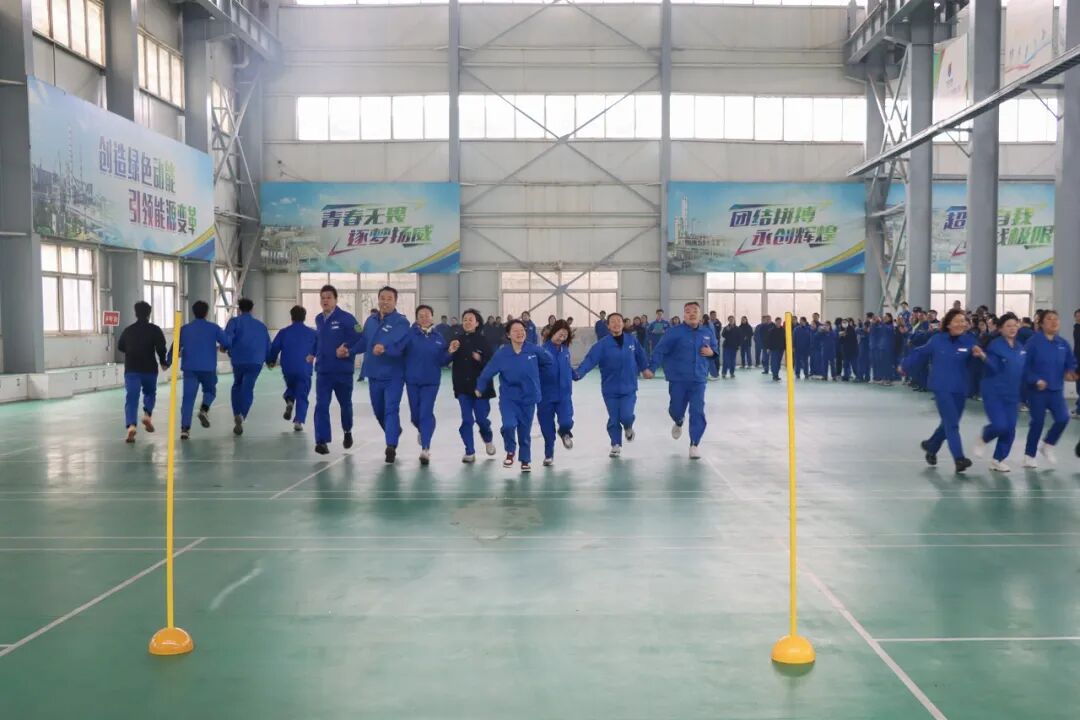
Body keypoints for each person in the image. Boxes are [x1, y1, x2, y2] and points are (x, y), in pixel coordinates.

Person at [900, 308, 979, 473]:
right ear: (948, 324)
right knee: (952, 424)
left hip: (961, 388)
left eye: (963, 321)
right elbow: (920, 353)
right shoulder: (937, 340)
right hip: (942, 387)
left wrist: (979, 356)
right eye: (957, 321)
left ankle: (932, 445)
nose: (961, 324)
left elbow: (975, 363)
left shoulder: (970, 341)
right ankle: (959, 458)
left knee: (949, 423)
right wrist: (905, 365)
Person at [476, 319, 552, 472]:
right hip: (509, 398)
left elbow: (548, 360)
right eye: (515, 331)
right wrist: (480, 387)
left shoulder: (533, 349)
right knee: (509, 425)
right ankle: (510, 451)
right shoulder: (502, 353)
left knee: (524, 431)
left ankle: (525, 460)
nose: (520, 333)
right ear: (508, 335)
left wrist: (542, 357)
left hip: (529, 397)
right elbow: (488, 371)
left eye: (522, 330)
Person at [648, 301, 717, 459]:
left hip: (698, 379)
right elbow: (660, 350)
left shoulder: (707, 332)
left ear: (700, 315)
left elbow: (714, 350)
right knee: (676, 409)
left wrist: (712, 353)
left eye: (695, 311)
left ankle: (694, 444)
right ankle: (678, 420)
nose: (692, 314)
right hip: (678, 379)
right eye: (688, 311)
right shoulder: (674, 332)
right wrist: (651, 368)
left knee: (697, 411)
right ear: (683, 315)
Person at [575, 312, 650, 457]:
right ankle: (615, 444)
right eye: (613, 322)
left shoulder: (631, 341)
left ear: (623, 323)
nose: (616, 324)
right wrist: (579, 373)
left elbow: (640, 356)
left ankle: (628, 426)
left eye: (619, 321)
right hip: (610, 389)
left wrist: (645, 369)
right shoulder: (602, 345)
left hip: (629, 387)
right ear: (608, 326)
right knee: (614, 418)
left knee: (626, 415)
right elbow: (590, 360)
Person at [360, 286, 412, 464]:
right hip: (374, 374)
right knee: (379, 411)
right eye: (382, 298)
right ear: (378, 299)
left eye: (389, 298)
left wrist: (385, 348)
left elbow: (397, 343)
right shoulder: (370, 320)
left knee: (391, 409)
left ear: (395, 301)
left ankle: (391, 446)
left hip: (393, 375)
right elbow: (363, 342)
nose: (385, 301)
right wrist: (348, 350)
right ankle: (394, 431)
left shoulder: (401, 322)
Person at [311, 285, 365, 455]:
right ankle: (321, 441)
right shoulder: (319, 319)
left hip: (343, 372)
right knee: (321, 405)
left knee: (345, 405)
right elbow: (319, 340)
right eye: (322, 297)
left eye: (329, 297)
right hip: (323, 372)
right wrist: (312, 354)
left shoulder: (347, 319)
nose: (325, 300)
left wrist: (348, 350)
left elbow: (362, 339)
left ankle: (347, 430)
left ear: (336, 299)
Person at [1021, 310, 1078, 468]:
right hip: (1036, 391)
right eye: (1049, 319)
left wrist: (1070, 373)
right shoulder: (1033, 342)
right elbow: (1023, 365)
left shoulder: (1063, 343)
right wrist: (1035, 380)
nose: (1054, 322)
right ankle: (1029, 455)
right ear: (1041, 323)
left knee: (1063, 418)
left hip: (1056, 390)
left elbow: (1070, 363)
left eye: (1056, 319)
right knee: (1037, 422)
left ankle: (1048, 445)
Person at [972, 313, 1024, 472]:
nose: (1012, 328)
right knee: (1000, 425)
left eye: (1015, 325)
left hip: (1012, 393)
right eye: (1008, 326)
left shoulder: (1020, 347)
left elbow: (1023, 369)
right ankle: (984, 437)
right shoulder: (995, 345)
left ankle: (997, 460)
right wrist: (983, 356)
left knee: (1010, 428)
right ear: (1001, 329)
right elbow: (993, 366)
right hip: (994, 391)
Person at [171, 300, 230, 440]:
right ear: (206, 313)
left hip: (190, 368)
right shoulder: (214, 328)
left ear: (193, 312)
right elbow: (227, 342)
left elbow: (174, 348)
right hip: (208, 367)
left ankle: (185, 429)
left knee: (188, 399)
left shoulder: (184, 329)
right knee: (210, 391)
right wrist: (224, 348)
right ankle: (204, 409)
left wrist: (167, 362)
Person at [403, 305, 452, 465]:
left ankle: (425, 448)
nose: (424, 318)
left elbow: (442, 360)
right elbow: (399, 351)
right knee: (415, 416)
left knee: (425, 413)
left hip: (431, 382)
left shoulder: (439, 337)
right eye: (421, 315)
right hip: (412, 381)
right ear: (417, 318)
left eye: (427, 315)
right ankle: (424, 430)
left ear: (432, 317)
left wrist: (450, 352)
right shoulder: (409, 334)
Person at [117, 301, 168, 443]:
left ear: (135, 313)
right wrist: (163, 362)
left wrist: (132, 350)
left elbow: (121, 346)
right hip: (149, 369)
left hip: (132, 369)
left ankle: (131, 426)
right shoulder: (155, 330)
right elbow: (161, 347)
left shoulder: (128, 330)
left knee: (131, 397)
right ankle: (147, 415)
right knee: (150, 393)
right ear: (149, 314)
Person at [450, 309, 497, 463]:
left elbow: (491, 364)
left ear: (477, 323)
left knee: (481, 419)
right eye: (465, 319)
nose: (467, 322)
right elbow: (447, 358)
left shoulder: (484, 341)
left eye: (471, 319)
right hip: (462, 387)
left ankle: (487, 438)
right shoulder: (457, 340)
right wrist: (450, 351)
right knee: (467, 420)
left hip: (481, 388)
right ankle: (469, 451)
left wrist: (480, 359)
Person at [224, 298, 271, 436]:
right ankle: (242, 415)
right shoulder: (261, 326)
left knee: (237, 385)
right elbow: (268, 345)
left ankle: (236, 413)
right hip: (255, 361)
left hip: (238, 360)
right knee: (248, 388)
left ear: (239, 309)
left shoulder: (234, 322)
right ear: (252, 309)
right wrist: (270, 360)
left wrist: (225, 347)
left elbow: (228, 337)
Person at [267, 305, 318, 432]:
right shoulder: (313, 333)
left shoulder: (283, 332)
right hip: (304, 368)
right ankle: (298, 421)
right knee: (302, 394)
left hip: (288, 368)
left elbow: (274, 348)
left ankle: (290, 400)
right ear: (304, 317)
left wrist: (271, 361)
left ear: (292, 317)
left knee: (291, 386)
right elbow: (320, 348)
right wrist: (314, 355)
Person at [538, 320, 575, 466]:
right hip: (545, 396)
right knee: (547, 428)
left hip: (564, 394)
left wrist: (575, 374)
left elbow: (567, 367)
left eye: (565, 336)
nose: (562, 338)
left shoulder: (565, 350)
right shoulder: (542, 351)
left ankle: (564, 432)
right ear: (553, 332)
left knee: (567, 421)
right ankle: (549, 455)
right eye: (560, 334)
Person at [356, 308, 380, 383]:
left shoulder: (376, 321)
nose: (372, 315)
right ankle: (362, 376)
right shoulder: (370, 320)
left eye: (373, 314)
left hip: (374, 345)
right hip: (370, 345)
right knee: (367, 361)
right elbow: (364, 332)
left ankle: (364, 376)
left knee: (370, 361)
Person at [766, 316, 787, 381]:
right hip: (774, 349)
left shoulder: (783, 330)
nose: (779, 323)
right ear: (775, 322)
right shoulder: (771, 330)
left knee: (778, 362)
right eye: (778, 322)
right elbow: (768, 340)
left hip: (781, 349)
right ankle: (774, 375)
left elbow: (785, 339)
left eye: (780, 322)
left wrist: (785, 347)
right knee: (774, 362)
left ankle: (776, 374)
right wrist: (768, 348)